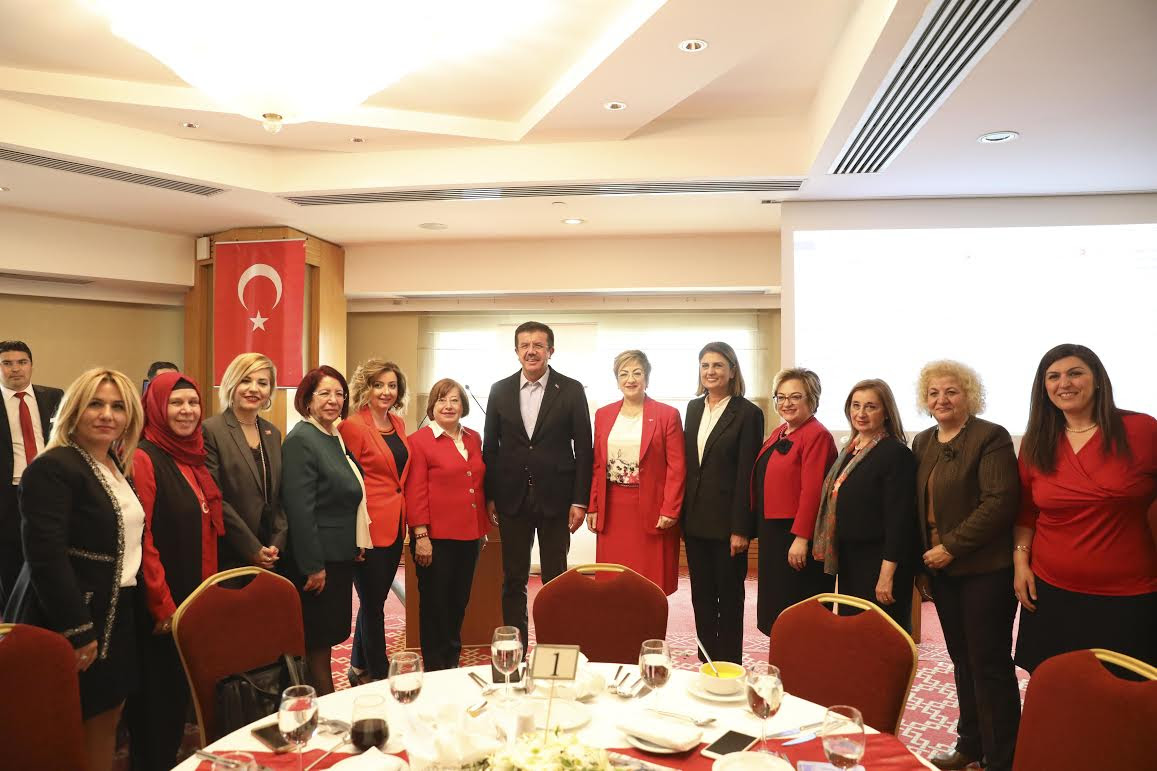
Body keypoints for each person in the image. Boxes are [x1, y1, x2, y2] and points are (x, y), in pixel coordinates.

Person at [4, 368, 145, 771]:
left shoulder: (113, 463)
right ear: (74, 409)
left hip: (118, 609)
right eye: (95, 404)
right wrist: (77, 629)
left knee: (107, 717)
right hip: (75, 615)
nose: (107, 415)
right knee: (70, 729)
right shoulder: (54, 466)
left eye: (118, 406)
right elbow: (44, 556)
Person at [1014, 344, 1157, 672]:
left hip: (1128, 594)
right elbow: (1026, 512)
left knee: (1126, 690)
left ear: (1098, 380)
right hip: (1050, 591)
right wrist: (1020, 563)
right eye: (1053, 376)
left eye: (1075, 373)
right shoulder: (1037, 441)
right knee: (1057, 686)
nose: (1064, 383)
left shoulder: (1142, 430)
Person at [911, 361, 1020, 771]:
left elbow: (999, 503)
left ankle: (1002, 758)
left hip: (985, 570)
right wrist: (925, 562)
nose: (942, 399)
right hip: (941, 570)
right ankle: (970, 745)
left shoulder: (990, 436)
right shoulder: (923, 441)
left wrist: (951, 547)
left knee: (989, 664)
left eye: (951, 391)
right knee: (961, 660)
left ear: (969, 395)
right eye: (934, 392)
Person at [128, 371, 224, 770]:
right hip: (163, 604)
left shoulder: (191, 455)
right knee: (159, 703)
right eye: (176, 403)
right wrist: (162, 604)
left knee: (181, 694)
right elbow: (143, 536)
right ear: (155, 407)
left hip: (194, 594)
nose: (187, 411)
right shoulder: (144, 457)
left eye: (193, 402)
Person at [483, 321, 593, 649]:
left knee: (555, 579)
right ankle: (514, 649)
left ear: (550, 351)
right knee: (513, 579)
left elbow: (584, 449)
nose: (531, 351)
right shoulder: (499, 390)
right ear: (516, 351)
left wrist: (580, 500)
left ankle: (554, 649)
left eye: (538, 345)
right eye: (525, 345)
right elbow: (491, 448)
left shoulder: (571, 389)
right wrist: (490, 495)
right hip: (511, 498)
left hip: (557, 499)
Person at [282, 366, 370, 694]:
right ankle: (320, 706)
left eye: (339, 394)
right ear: (307, 399)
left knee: (328, 638)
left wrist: (354, 542)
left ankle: (320, 702)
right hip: (317, 562)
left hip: (338, 554)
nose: (333, 400)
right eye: (325, 394)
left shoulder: (331, 435)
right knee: (317, 645)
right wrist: (313, 565)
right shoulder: (301, 440)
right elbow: (300, 509)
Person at [813, 378, 918, 631]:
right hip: (851, 559)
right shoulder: (850, 450)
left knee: (880, 636)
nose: (861, 413)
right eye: (856, 405)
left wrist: (886, 575)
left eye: (871, 407)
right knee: (854, 634)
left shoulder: (896, 453)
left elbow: (899, 520)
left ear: (886, 413)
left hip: (880, 561)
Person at [681, 342, 764, 663]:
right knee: (701, 599)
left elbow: (747, 475)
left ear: (732, 371)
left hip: (729, 527)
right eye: (705, 365)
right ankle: (706, 664)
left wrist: (741, 528)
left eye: (718, 365)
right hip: (696, 522)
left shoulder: (748, 413)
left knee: (728, 601)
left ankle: (729, 668)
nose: (710, 371)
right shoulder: (693, 408)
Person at [406, 378, 489, 670]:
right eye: (442, 400)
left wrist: (483, 524)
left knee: (458, 602)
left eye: (454, 400)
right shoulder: (419, 441)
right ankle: (434, 668)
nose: (448, 406)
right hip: (435, 538)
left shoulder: (473, 438)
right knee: (435, 606)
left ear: (463, 406)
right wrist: (421, 535)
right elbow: (415, 490)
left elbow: (477, 483)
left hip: (470, 536)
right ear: (432, 406)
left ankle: (450, 662)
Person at [587, 350, 685, 594]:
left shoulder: (667, 415)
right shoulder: (603, 415)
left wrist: (670, 509)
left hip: (652, 507)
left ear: (647, 378)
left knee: (649, 582)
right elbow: (597, 464)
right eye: (624, 374)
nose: (630, 379)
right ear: (617, 380)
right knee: (613, 579)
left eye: (637, 373)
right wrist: (593, 505)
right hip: (612, 508)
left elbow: (677, 466)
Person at [339, 358, 410, 685]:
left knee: (375, 600)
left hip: (395, 525)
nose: (385, 391)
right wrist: (352, 536)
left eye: (392, 386)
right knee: (373, 604)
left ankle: (357, 667)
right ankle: (380, 674)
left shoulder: (398, 423)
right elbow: (347, 482)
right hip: (367, 528)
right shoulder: (352, 426)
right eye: (378, 385)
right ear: (365, 388)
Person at [754, 367, 837, 635]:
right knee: (776, 607)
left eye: (795, 397)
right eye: (781, 397)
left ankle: (801, 660)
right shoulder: (781, 431)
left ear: (811, 398)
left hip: (795, 534)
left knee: (797, 611)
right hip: (774, 533)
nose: (786, 403)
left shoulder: (817, 435)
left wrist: (801, 538)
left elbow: (812, 491)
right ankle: (782, 657)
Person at [203, 353, 285, 572]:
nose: (254, 389)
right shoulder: (211, 430)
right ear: (232, 383)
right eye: (245, 380)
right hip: (231, 551)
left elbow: (279, 497)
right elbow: (216, 498)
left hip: (271, 552)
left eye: (262, 383)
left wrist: (276, 543)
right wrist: (252, 548)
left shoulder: (272, 433)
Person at [0, 340, 63, 611]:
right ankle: (14, 619)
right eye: (7, 363)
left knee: (50, 555)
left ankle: (47, 614)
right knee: (11, 562)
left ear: (31, 365)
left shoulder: (54, 397)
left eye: (22, 362)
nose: (15, 369)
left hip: (49, 489)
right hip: (8, 494)